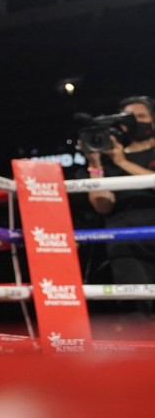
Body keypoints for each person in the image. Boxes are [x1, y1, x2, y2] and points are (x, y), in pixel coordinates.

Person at [82, 95, 155, 326]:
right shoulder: (109, 160)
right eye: (129, 118)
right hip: (124, 241)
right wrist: (95, 166)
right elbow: (103, 206)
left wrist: (123, 162)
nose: (135, 122)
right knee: (136, 311)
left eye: (140, 116)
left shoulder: (122, 160)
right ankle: (140, 362)